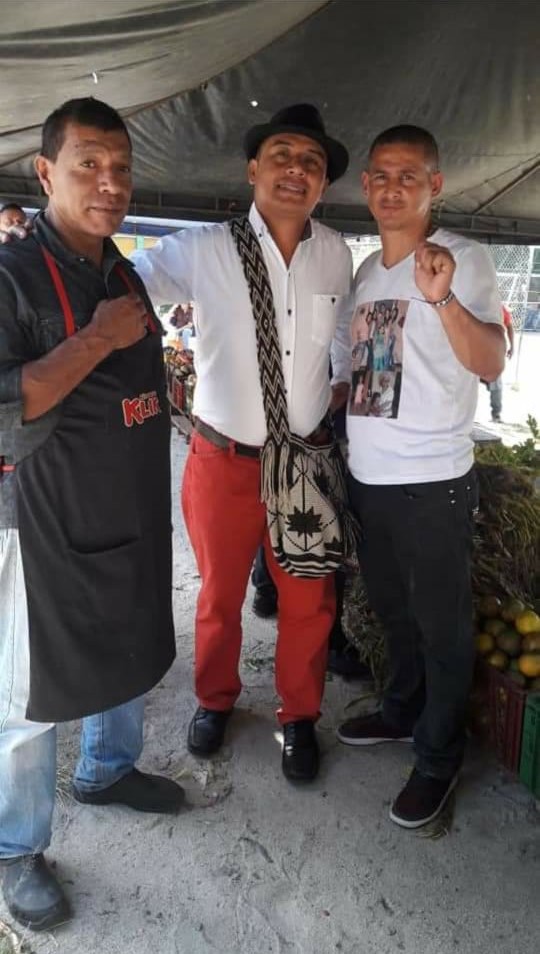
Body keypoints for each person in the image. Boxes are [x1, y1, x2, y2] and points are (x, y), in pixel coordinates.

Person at [0, 98, 183, 932]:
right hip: (39, 517)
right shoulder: (13, 276)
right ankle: (15, 847)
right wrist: (102, 339)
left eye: (121, 167)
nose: (110, 182)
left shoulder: (121, 270)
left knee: (130, 635)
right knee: (26, 691)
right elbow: (9, 407)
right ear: (46, 173)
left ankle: (108, 769)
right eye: (88, 165)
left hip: (126, 499)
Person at [132, 104, 352, 783]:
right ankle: (215, 698)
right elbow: (128, 279)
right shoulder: (204, 248)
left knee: (309, 598)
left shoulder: (336, 253)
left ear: (323, 183)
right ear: (253, 169)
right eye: (282, 155)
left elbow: (345, 329)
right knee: (219, 595)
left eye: (312, 162)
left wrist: (341, 380)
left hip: (304, 459)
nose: (296, 169)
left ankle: (299, 715)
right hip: (222, 459)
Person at [336, 125, 505, 829]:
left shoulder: (463, 259)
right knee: (393, 611)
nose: (392, 187)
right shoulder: (365, 273)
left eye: (409, 175)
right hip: (368, 477)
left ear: (434, 185)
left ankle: (439, 755)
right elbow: (358, 369)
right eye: (380, 174)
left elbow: (491, 361)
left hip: (435, 481)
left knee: (443, 626)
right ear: (365, 185)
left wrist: (441, 298)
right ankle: (403, 711)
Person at [486, 304, 514, 421]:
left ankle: (496, 413)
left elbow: (509, 326)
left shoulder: (499, 307)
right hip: (476, 348)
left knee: (495, 383)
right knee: (468, 382)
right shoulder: (473, 303)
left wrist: (512, 346)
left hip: (495, 350)